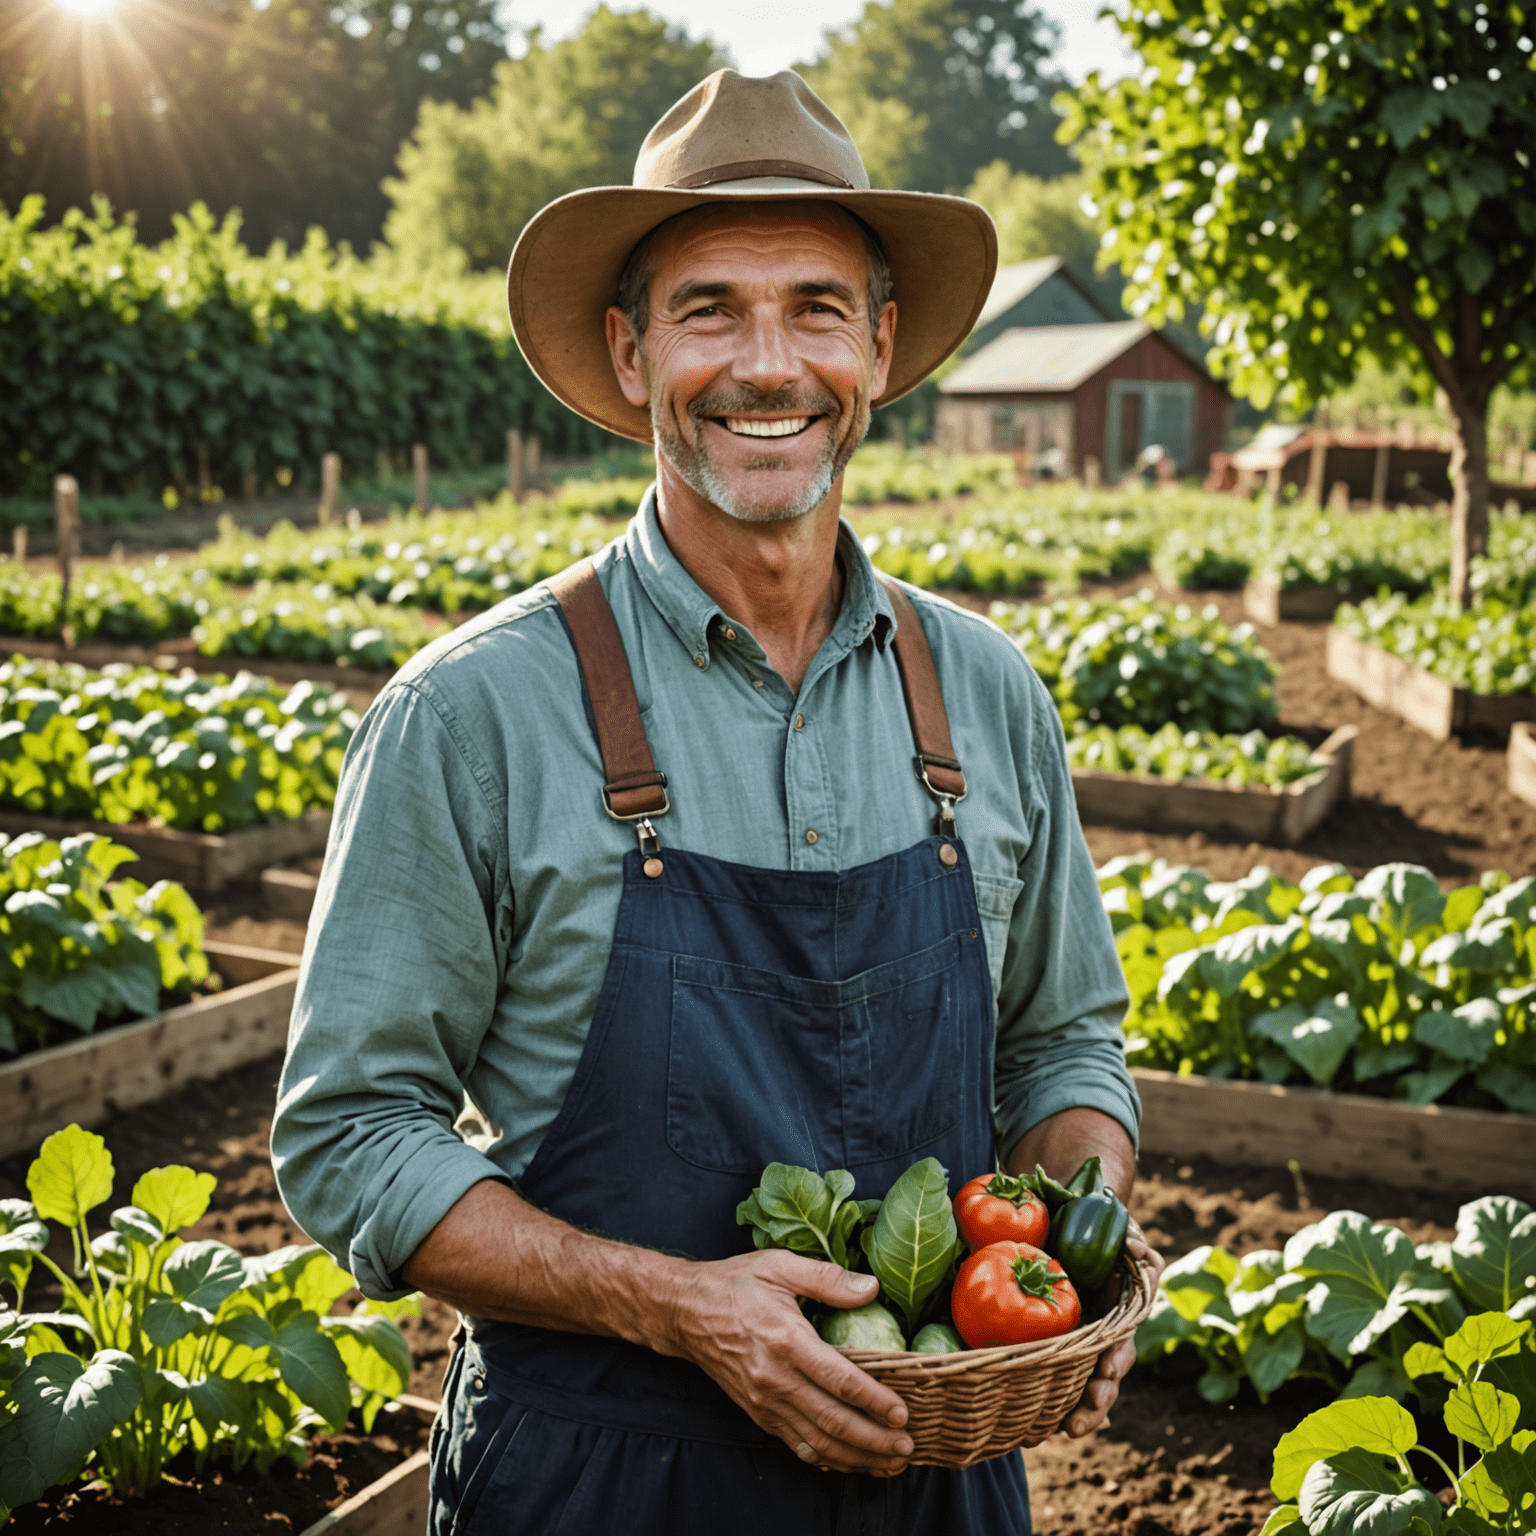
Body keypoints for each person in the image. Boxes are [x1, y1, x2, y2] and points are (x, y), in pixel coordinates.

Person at [271, 68, 1163, 1536]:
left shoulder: (990, 693)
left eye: (816, 306)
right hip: (597, 1477)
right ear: (630, 354)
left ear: (878, 349)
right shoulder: (474, 714)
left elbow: (1063, 1043)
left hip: (934, 1484)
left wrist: (1086, 1233)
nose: (769, 363)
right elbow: (352, 1132)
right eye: (709, 309)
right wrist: (678, 1306)